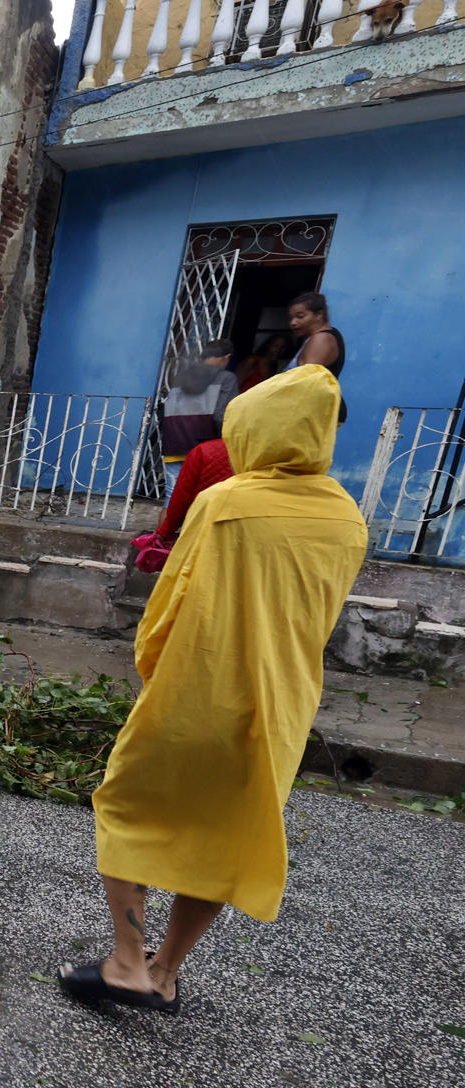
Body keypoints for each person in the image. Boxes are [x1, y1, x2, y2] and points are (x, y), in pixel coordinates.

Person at [58, 366, 366, 1016]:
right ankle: (165, 971)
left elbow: (169, 609)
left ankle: (125, 962)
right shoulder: (347, 518)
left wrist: (152, 674)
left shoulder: (227, 502)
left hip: (200, 693)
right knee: (228, 832)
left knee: (128, 806)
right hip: (282, 705)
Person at [159, 338, 238, 491]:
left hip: (174, 443)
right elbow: (220, 415)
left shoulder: (181, 377)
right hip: (204, 448)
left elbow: (167, 409)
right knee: (198, 498)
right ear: (226, 357)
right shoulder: (226, 378)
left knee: (172, 498)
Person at [286, 292, 347, 423]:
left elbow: (305, 384)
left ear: (319, 314)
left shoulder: (321, 338)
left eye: (300, 316)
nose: (293, 323)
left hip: (314, 415)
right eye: (291, 318)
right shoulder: (321, 337)